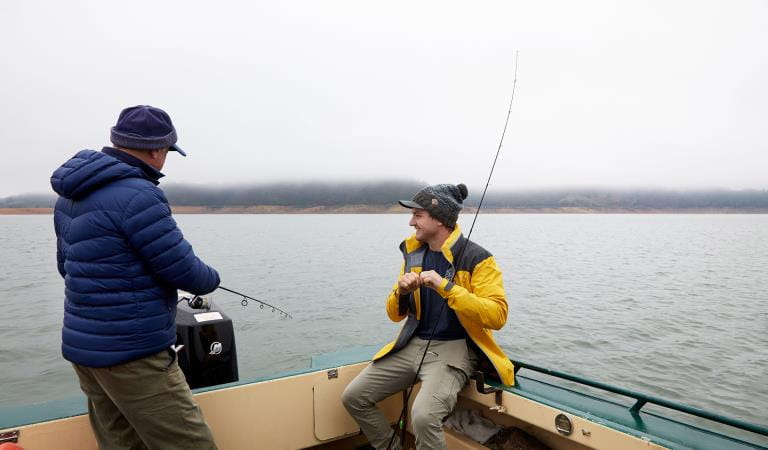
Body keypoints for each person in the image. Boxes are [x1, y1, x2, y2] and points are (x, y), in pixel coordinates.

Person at [51, 105, 220, 450]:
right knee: (192, 444)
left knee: (120, 443)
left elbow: (65, 266)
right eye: (168, 153)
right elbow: (186, 271)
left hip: (85, 350)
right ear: (157, 150)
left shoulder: (70, 194)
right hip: (133, 354)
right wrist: (212, 277)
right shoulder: (140, 194)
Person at [342, 183, 515, 450]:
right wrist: (401, 292)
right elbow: (394, 316)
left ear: (441, 218)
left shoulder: (479, 259)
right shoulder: (414, 253)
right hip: (412, 345)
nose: (411, 222)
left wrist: (446, 287)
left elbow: (497, 315)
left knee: (423, 416)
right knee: (353, 397)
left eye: (418, 215)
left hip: (455, 349)